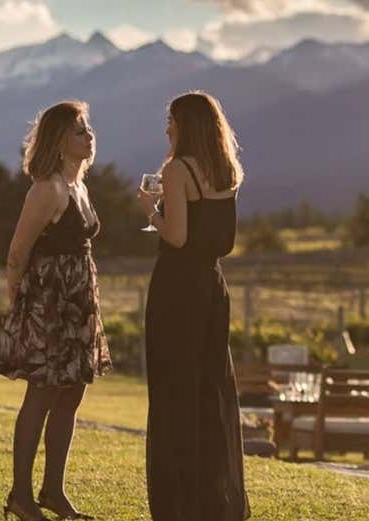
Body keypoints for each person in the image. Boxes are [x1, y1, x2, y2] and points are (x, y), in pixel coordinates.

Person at [137, 90, 251, 521]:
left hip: (177, 290)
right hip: (212, 288)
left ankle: (178, 503)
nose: (167, 126)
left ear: (186, 124)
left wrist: (151, 210)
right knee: (211, 389)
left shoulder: (176, 170)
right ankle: (214, 500)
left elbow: (178, 237)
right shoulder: (227, 171)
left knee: (173, 390)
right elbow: (220, 239)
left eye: (171, 119)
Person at [0, 100, 112, 521]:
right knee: (42, 395)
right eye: (80, 130)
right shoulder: (46, 188)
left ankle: (53, 491)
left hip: (77, 302)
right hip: (49, 304)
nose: (89, 136)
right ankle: (21, 496)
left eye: (88, 129)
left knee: (71, 395)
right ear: (59, 140)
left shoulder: (78, 185)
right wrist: (19, 307)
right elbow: (17, 252)